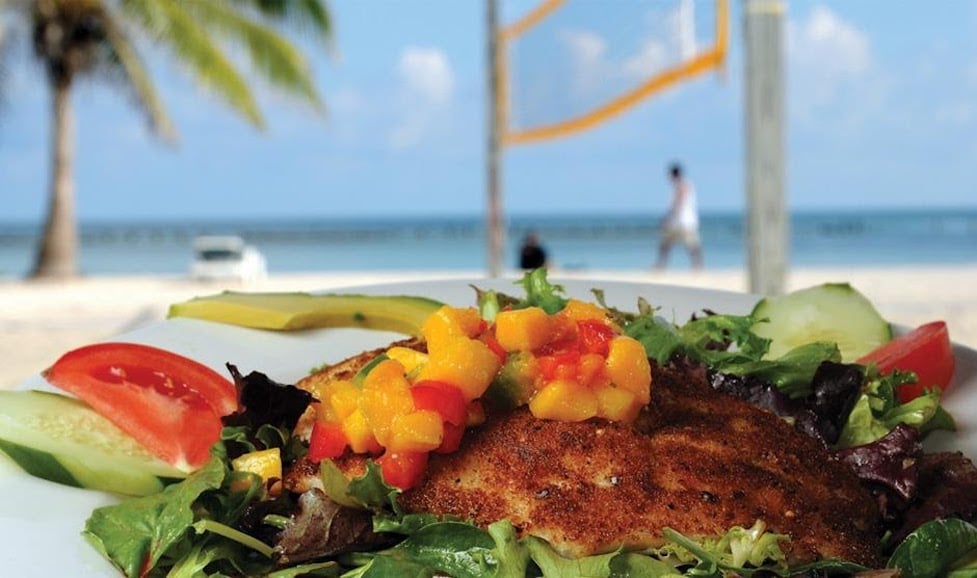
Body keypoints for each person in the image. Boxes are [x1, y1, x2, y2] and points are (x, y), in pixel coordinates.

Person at [655, 162, 703, 270]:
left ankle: (697, 266)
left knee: (690, 244)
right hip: (682, 220)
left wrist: (668, 217)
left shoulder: (682, 185)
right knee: (667, 243)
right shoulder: (684, 184)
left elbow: (678, 202)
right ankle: (661, 265)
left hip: (682, 221)